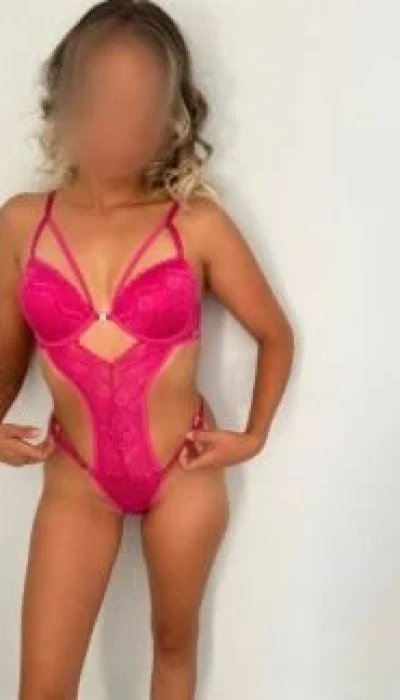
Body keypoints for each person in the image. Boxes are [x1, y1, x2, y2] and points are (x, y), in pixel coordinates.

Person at [0, 1, 294, 698]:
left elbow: (275, 334)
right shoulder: (20, 222)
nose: (118, 120)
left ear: (172, 115)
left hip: (180, 473)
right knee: (42, 687)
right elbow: (7, 359)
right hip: (77, 479)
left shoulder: (197, 224)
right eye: (101, 95)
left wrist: (252, 436)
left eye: (140, 102)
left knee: (172, 645)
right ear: (64, 97)